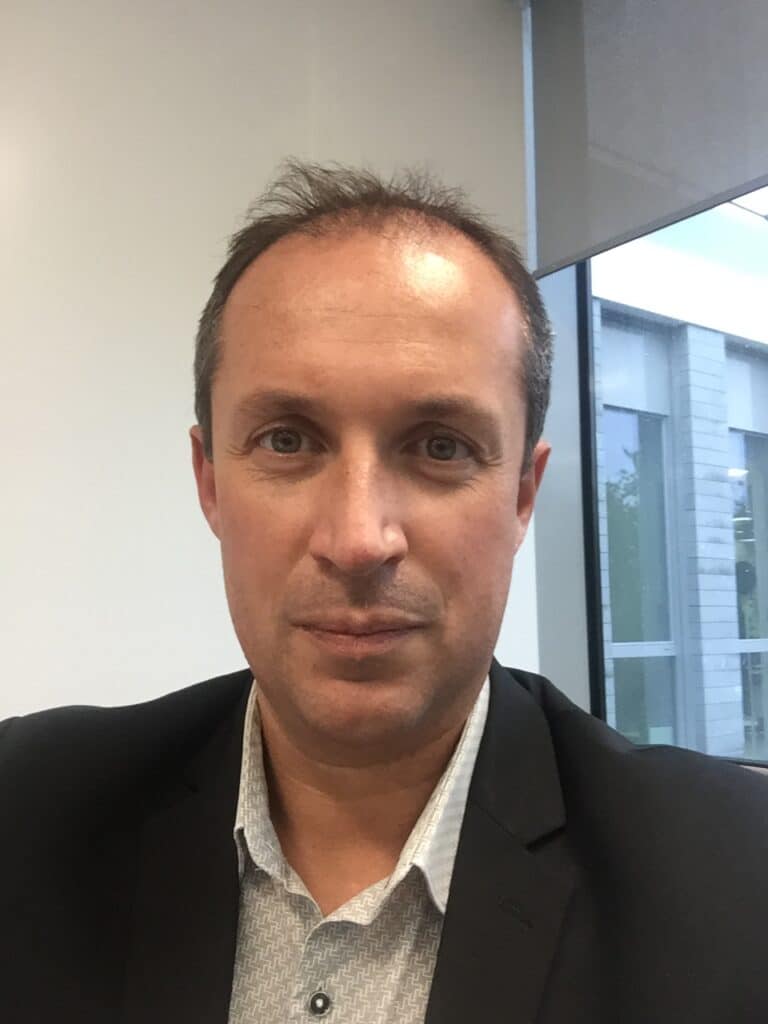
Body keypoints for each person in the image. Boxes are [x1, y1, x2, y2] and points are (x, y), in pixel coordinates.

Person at [1, 161, 767, 1024]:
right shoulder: (26, 809)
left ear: (522, 494)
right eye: (287, 440)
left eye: (440, 447)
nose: (359, 540)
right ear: (209, 481)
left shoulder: (737, 886)